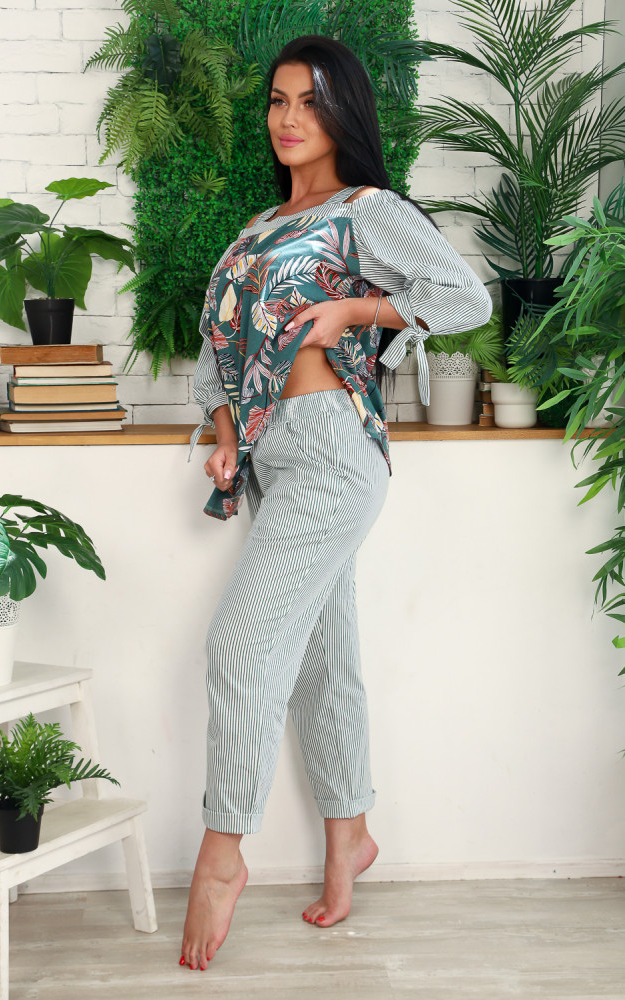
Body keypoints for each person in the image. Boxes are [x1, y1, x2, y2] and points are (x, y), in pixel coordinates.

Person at [180, 34, 492, 972]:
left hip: (331, 454)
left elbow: (465, 297)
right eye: (278, 100)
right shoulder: (253, 230)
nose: (288, 118)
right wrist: (227, 435)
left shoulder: (367, 211)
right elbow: (217, 352)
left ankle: (222, 853)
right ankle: (349, 836)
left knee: (239, 646)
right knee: (323, 661)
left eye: (309, 101)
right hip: (269, 459)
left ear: (342, 111)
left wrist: (358, 311)